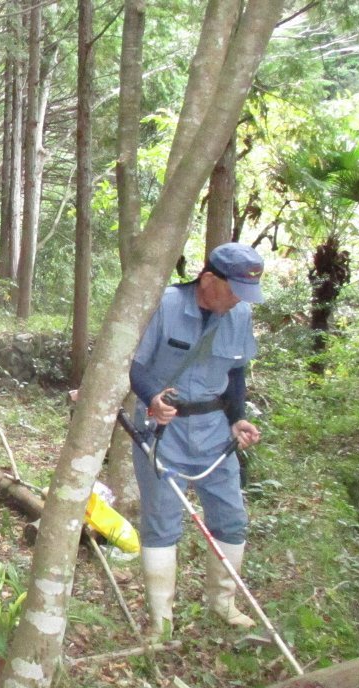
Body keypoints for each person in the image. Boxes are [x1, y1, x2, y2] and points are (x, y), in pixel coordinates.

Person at [129, 242, 265, 639]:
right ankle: (161, 621)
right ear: (208, 279)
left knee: (231, 517)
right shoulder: (166, 304)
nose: (240, 298)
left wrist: (238, 418)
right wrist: (152, 396)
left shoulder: (239, 313)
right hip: (162, 432)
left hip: (214, 431)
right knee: (162, 523)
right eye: (235, 288)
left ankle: (223, 603)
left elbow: (236, 373)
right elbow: (134, 364)